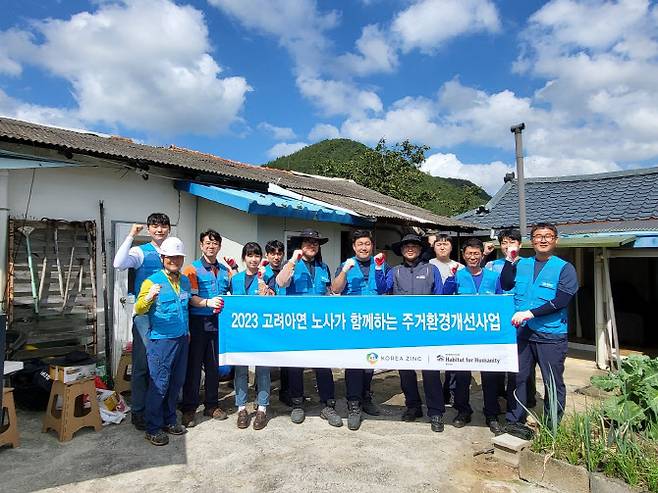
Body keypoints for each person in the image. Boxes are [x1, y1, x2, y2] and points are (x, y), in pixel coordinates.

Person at [501, 223, 578, 433]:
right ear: (532, 240)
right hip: (523, 334)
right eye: (538, 236)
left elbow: (562, 299)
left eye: (548, 236)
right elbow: (506, 284)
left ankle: (552, 425)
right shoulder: (522, 263)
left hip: (550, 335)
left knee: (552, 382)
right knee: (518, 378)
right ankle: (515, 419)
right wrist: (509, 259)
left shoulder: (564, 268)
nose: (543, 240)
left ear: (555, 240)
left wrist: (531, 313)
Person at [375, 233, 452, 433]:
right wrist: (378, 268)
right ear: (401, 250)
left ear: (420, 249)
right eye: (406, 246)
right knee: (406, 371)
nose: (410, 249)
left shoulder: (431, 269)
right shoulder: (395, 271)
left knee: (430, 371)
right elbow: (382, 288)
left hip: (426, 329)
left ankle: (435, 412)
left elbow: (441, 297)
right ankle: (413, 406)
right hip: (403, 329)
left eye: (414, 246)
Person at [276, 229, 342, 427]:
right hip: (297, 325)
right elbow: (281, 282)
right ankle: (297, 403)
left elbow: (328, 293)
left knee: (323, 365)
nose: (311, 245)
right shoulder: (291, 265)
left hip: (319, 326)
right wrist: (293, 261)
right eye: (307, 242)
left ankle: (327, 405)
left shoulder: (324, 268)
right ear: (300, 245)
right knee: (296, 366)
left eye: (315, 242)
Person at [112, 212, 170, 431]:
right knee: (142, 366)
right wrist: (130, 236)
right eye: (155, 226)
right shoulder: (140, 252)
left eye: (163, 226)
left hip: (166, 315)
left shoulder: (171, 251)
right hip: (145, 316)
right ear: (148, 228)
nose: (159, 230)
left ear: (168, 229)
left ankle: (159, 409)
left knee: (162, 365)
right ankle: (138, 412)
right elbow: (119, 263)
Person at [134, 237, 191, 446]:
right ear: (162, 258)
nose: (174, 260)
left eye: (178, 256)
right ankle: (153, 427)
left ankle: (169, 420)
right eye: (170, 257)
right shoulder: (151, 281)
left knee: (176, 382)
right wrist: (149, 297)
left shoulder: (184, 281)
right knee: (159, 384)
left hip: (182, 338)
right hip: (161, 341)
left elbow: (186, 307)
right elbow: (138, 309)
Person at [331, 229, 388, 430]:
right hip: (353, 323)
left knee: (370, 361)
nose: (364, 247)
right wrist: (345, 271)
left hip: (373, 321)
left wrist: (381, 269)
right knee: (354, 363)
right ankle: (353, 404)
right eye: (360, 244)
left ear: (372, 246)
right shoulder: (346, 265)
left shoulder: (379, 264)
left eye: (367, 244)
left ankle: (365, 397)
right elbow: (336, 289)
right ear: (354, 247)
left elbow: (383, 290)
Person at [450, 238, 505, 434]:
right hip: (463, 334)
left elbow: (501, 303)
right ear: (463, 256)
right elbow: (444, 299)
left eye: (476, 254)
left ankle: (491, 413)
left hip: (487, 335)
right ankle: (463, 410)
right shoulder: (457, 275)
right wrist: (450, 278)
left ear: (482, 255)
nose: (472, 257)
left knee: (489, 375)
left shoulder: (493, 276)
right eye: (469, 254)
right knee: (462, 375)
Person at [180, 230, 231, 428]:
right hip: (198, 323)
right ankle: (189, 409)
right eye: (207, 243)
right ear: (201, 245)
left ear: (219, 246)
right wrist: (207, 302)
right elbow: (190, 298)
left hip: (218, 324)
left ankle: (212, 405)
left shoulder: (226, 271)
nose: (211, 246)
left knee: (213, 366)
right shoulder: (191, 269)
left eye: (215, 243)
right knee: (193, 367)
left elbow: (231, 294)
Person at [484, 228, 537, 408]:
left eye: (512, 242)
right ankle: (501, 394)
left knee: (524, 362)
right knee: (500, 358)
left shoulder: (529, 264)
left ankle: (527, 397)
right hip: (500, 319)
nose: (508, 246)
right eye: (504, 243)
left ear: (520, 244)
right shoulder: (492, 265)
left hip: (524, 319)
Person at [229, 242, 271, 430]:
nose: (253, 259)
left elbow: (273, 301)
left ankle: (262, 408)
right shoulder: (235, 279)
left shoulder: (267, 276)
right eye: (250, 255)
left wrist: (266, 289)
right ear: (244, 258)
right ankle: (241, 408)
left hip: (262, 332)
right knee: (241, 370)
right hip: (241, 332)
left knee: (263, 369)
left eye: (257, 256)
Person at [428, 234, 464, 407]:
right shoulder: (427, 266)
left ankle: (450, 391)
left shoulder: (460, 267)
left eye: (446, 244)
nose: (442, 247)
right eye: (439, 244)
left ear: (451, 247)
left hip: (453, 318)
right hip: (431, 318)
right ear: (433, 247)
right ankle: (434, 395)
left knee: (453, 357)